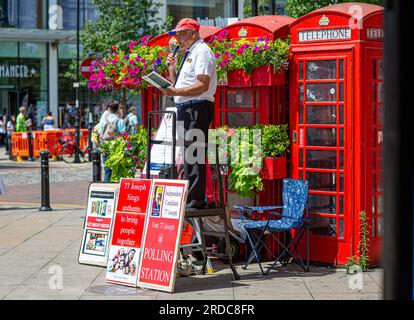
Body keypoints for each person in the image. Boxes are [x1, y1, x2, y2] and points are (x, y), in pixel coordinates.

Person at [161, 18, 217, 210]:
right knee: (188, 153)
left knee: (194, 153)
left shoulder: (202, 52)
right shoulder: (190, 53)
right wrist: (171, 69)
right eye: (176, 34)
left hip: (197, 107)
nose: (178, 38)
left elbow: (203, 85)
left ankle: (196, 201)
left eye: (181, 33)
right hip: (187, 107)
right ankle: (193, 198)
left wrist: (174, 92)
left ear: (193, 33)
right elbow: (181, 85)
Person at [98, 101, 126, 182]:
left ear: (109, 109)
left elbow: (100, 132)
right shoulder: (120, 121)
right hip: (116, 147)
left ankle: (107, 188)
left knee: (107, 170)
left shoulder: (103, 121)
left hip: (105, 146)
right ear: (117, 110)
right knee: (117, 170)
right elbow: (123, 136)